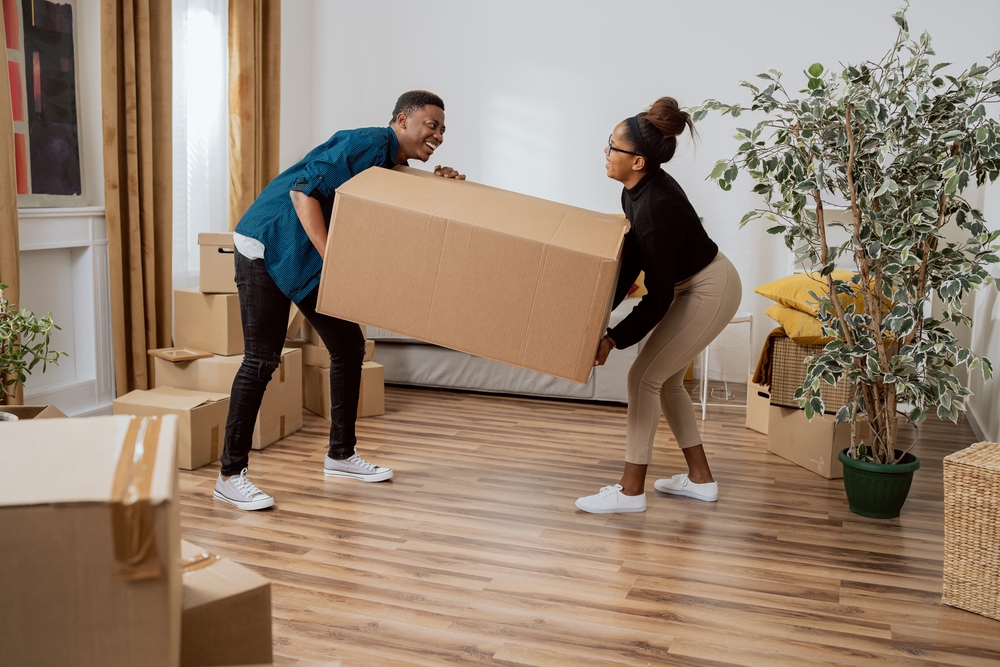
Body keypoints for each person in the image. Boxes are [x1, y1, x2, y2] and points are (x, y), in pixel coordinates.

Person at [213, 90, 465, 511]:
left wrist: (439, 187)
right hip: (268, 241)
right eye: (431, 125)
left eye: (442, 129)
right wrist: (335, 259)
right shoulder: (368, 143)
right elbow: (301, 192)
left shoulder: (391, 163)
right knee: (261, 360)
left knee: (348, 347)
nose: (438, 135)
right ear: (402, 120)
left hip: (300, 254)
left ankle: (341, 455)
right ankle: (229, 475)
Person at [575, 97, 742, 514]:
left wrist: (613, 339)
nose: (606, 152)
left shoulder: (654, 208)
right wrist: (594, 320)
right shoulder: (635, 193)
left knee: (642, 379)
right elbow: (631, 264)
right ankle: (701, 481)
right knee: (663, 381)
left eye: (614, 146)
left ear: (638, 162)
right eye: (609, 143)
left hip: (709, 288)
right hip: (692, 285)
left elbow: (660, 296)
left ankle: (631, 491)